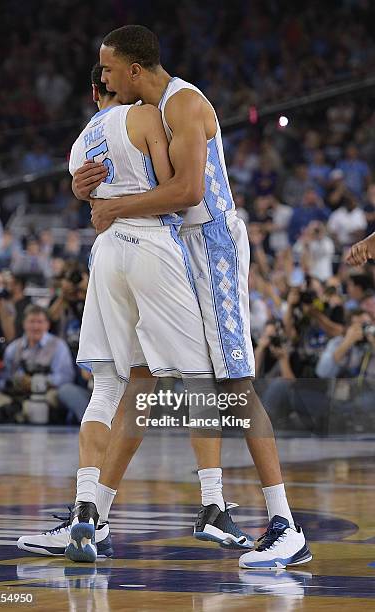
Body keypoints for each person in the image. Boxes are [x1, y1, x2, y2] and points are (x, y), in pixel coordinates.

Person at [71, 26, 311, 570]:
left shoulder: (183, 104)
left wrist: (113, 210)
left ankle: (284, 523)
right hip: (176, 246)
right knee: (142, 379)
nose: (102, 80)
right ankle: (98, 515)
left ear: (134, 71)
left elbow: (188, 191)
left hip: (213, 246)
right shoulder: (145, 117)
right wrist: (86, 186)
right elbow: (129, 180)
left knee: (233, 383)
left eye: (108, 70)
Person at [20, 64, 250, 563]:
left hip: (105, 253)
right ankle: (213, 503)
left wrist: (91, 195)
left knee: (114, 384)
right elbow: (176, 190)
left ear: (91, 93)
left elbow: (85, 190)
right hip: (152, 247)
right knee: (197, 376)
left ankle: (88, 513)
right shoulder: (147, 115)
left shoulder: (80, 144)